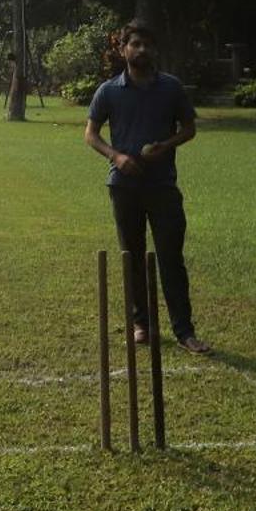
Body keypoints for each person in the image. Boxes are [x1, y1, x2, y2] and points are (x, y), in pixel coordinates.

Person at [83, 20, 209, 355]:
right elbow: (91, 135)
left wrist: (165, 146)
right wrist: (117, 156)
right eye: (135, 44)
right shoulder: (108, 90)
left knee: (171, 258)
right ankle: (141, 324)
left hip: (162, 186)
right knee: (133, 258)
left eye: (147, 45)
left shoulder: (171, 88)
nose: (141, 50)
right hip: (124, 186)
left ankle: (185, 331)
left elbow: (189, 128)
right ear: (123, 49)